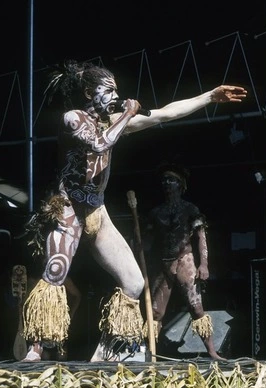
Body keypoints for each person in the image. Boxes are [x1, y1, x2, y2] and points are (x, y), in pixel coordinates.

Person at [21, 59, 247, 362]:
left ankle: (105, 354)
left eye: (117, 91)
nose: (116, 96)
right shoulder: (72, 119)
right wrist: (127, 114)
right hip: (69, 209)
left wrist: (209, 96)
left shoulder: (113, 121)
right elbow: (100, 145)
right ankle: (35, 350)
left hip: (97, 213)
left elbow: (165, 112)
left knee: (134, 282)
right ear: (89, 92)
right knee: (56, 272)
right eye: (109, 90)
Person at [146, 163, 225, 360]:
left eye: (171, 180)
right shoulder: (156, 213)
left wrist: (203, 264)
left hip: (185, 261)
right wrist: (137, 245)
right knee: (155, 313)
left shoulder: (190, 209)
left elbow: (201, 236)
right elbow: (147, 241)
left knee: (196, 307)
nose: (166, 183)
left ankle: (212, 351)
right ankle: (150, 352)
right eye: (164, 180)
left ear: (180, 185)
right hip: (162, 263)